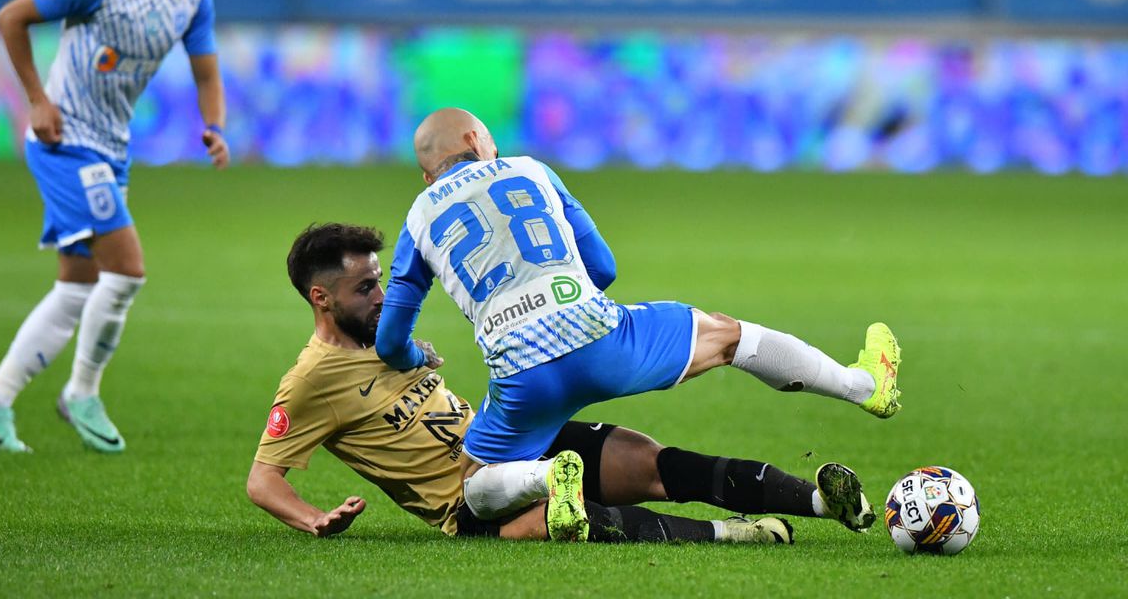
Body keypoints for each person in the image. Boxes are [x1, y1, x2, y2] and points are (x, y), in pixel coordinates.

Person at [374, 108, 901, 540]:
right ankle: (864, 386)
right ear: (476, 140)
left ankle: (546, 476)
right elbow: (603, 267)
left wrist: (417, 355)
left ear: (427, 176)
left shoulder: (419, 216)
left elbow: (390, 340)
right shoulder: (531, 170)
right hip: (599, 336)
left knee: (473, 486)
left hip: (522, 377)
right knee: (729, 336)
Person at [246, 222, 879, 544]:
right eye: (365, 288)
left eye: (382, 280)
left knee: (653, 462)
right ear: (321, 298)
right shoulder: (310, 381)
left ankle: (823, 502)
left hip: (510, 442)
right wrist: (314, 519)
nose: (383, 296)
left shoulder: (384, 341)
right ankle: (734, 534)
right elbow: (262, 479)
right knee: (576, 519)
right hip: (468, 503)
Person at [0, 0, 229, 454]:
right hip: (65, 140)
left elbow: (207, 73)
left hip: (111, 147)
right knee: (127, 270)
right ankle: (81, 392)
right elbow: (11, 17)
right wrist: (37, 100)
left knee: (77, 287)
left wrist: (214, 125)